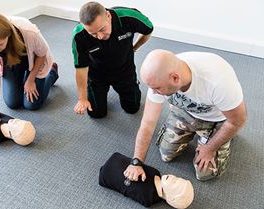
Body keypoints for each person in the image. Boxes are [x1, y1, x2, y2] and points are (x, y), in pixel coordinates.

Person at [124, 49, 247, 181]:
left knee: (204, 174)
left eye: (157, 88)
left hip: (216, 120)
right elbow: (147, 123)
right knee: (166, 155)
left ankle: (221, 139)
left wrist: (210, 148)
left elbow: (237, 121)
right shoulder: (158, 77)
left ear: (175, 78)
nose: (153, 92)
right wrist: (136, 162)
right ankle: (190, 131)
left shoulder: (218, 82)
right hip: (184, 110)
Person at [0, 12, 59, 128]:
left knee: (31, 104)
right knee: (13, 103)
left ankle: (52, 72)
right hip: (10, 63)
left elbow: (42, 54)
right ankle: (23, 79)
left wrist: (30, 80)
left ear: (8, 36)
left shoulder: (28, 31)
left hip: (34, 60)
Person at [72, 2, 153, 118]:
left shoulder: (129, 17)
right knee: (96, 114)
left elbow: (149, 29)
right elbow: (81, 69)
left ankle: (133, 86)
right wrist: (82, 99)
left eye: (102, 29)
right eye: (93, 34)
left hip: (124, 70)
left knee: (133, 108)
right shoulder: (79, 35)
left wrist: (135, 48)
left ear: (108, 16)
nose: (99, 36)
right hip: (97, 74)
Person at [99, 152, 194, 208]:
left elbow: (126, 191)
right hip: (118, 160)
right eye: (177, 178)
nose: (174, 178)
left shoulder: (147, 198)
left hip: (106, 175)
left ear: (172, 199)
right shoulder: (156, 173)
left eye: (175, 184)